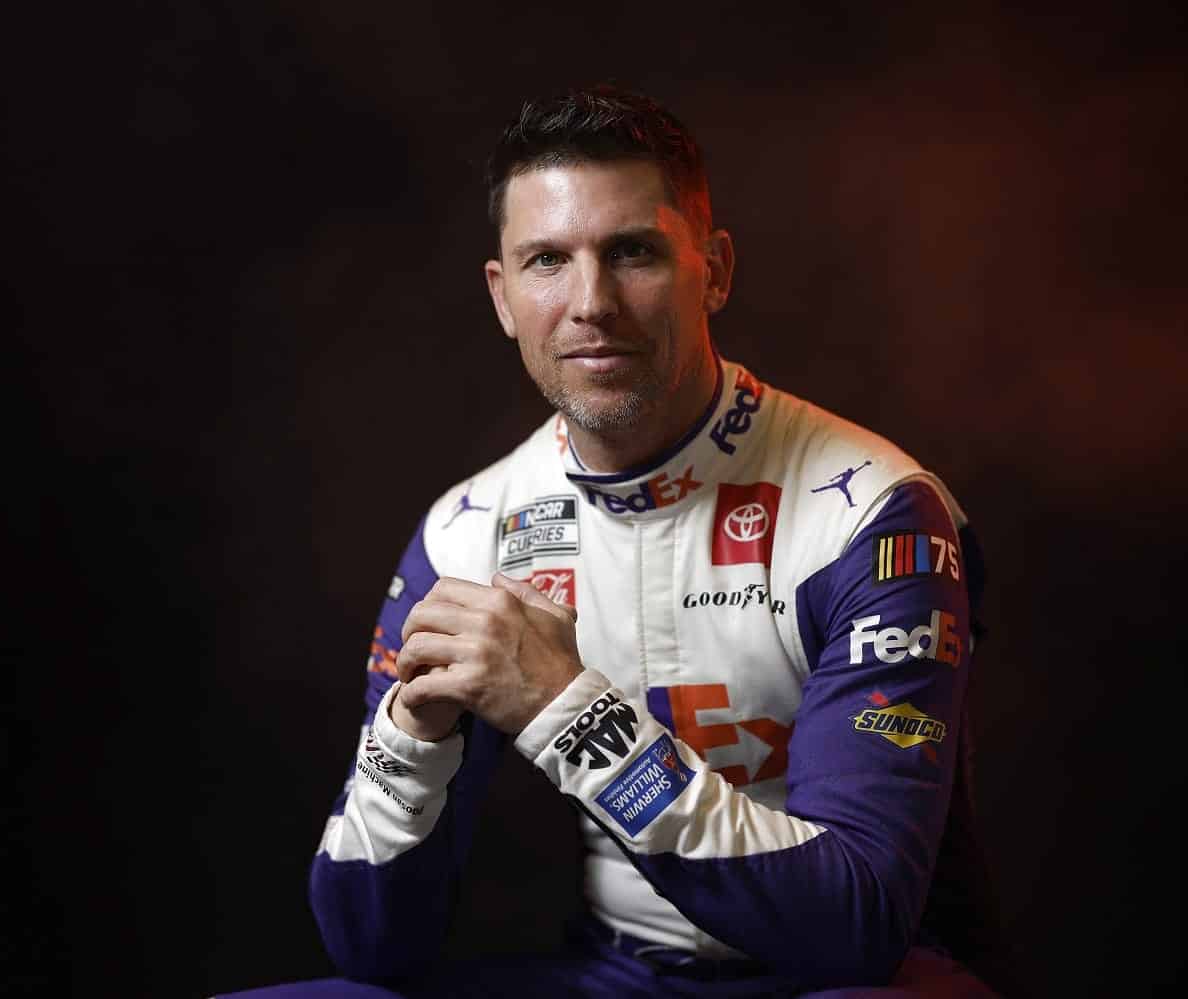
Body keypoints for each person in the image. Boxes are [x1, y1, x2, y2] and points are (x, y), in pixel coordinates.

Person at [220, 85, 1008, 998]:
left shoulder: (873, 513)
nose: (591, 303)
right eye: (547, 260)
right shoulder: (469, 532)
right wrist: (410, 745)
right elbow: (371, 946)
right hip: (619, 978)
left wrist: (565, 707)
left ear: (711, 271)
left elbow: (857, 924)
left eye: (631, 252)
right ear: (503, 296)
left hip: (850, 980)